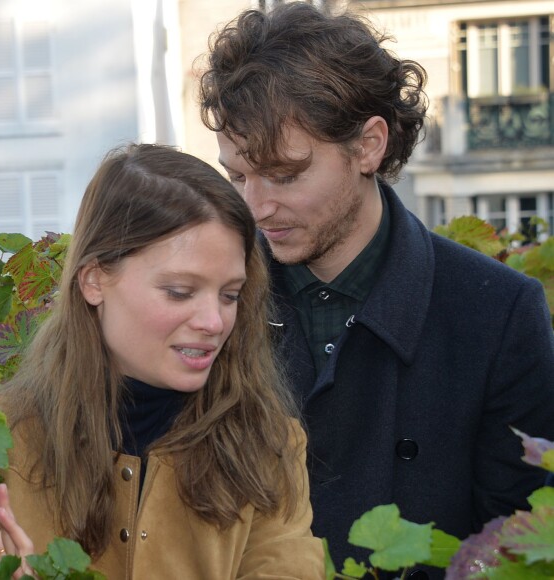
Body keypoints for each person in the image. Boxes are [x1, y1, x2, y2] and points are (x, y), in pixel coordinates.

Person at [198, 3, 554, 578]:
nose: (255, 207)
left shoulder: (497, 312)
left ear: (368, 145)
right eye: (237, 175)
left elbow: (515, 550)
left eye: (285, 175)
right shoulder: (206, 302)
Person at [0, 143, 325, 579]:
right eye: (180, 291)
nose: (214, 321)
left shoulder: (269, 446)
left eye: (230, 295)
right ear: (94, 281)